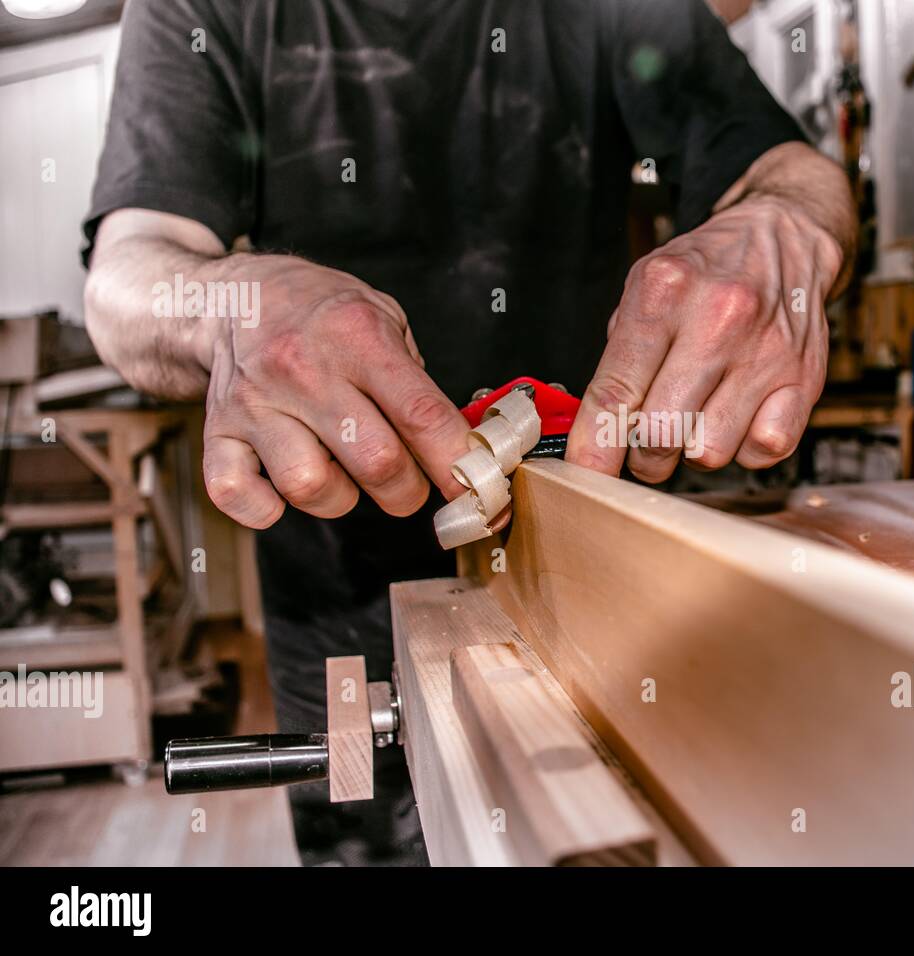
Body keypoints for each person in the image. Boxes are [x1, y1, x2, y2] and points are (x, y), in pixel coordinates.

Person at [82, 0, 855, 864]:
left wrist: (784, 227)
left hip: (582, 576)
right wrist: (228, 311)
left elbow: (783, 166)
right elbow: (126, 272)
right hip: (337, 592)